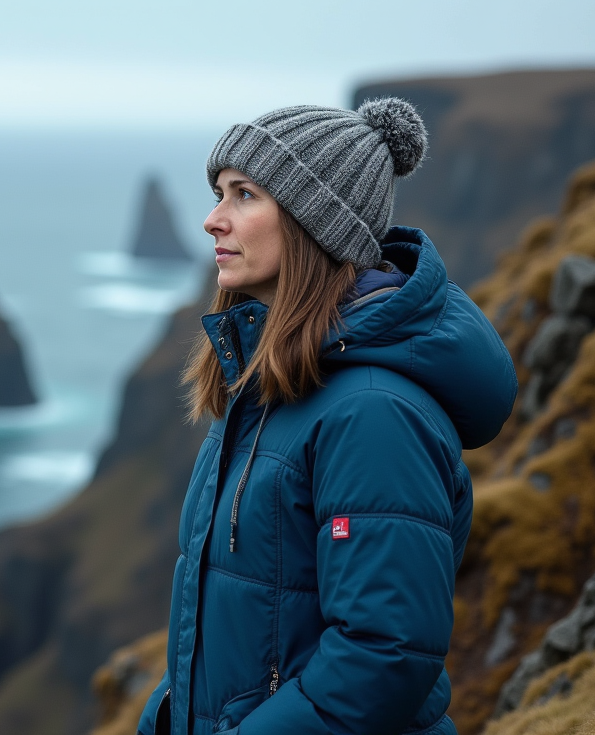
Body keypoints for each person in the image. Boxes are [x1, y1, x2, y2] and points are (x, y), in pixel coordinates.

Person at [136, 99, 517, 735]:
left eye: (244, 194)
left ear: (316, 224)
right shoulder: (267, 387)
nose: (212, 220)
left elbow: (383, 655)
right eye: (218, 193)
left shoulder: (373, 413)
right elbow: (234, 624)